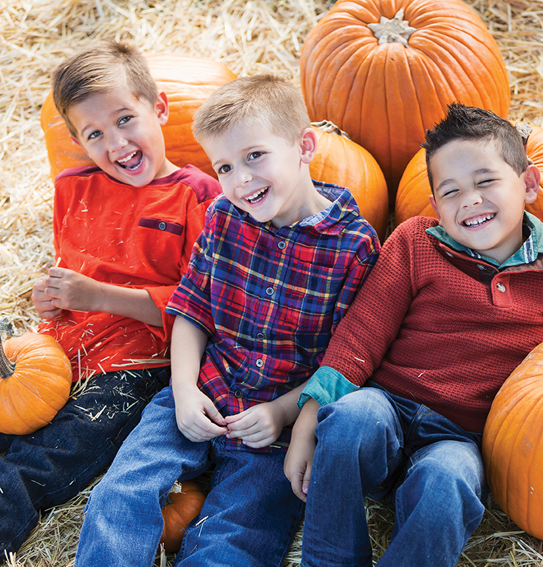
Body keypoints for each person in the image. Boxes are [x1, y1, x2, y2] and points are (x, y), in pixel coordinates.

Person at [73, 74, 380, 566]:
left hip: (270, 430)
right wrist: (185, 387)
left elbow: (341, 360)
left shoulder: (354, 247)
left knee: (235, 536)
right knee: (122, 492)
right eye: (225, 166)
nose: (241, 180)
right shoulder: (224, 215)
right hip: (202, 389)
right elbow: (191, 309)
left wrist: (282, 413)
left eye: (254, 156)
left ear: (304, 146)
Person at [285, 103, 543, 567]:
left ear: (529, 184)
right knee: (353, 416)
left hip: (462, 435)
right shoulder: (416, 242)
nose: (469, 200)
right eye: (451, 191)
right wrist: (306, 424)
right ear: (435, 205)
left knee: (449, 479)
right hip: (388, 408)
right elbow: (360, 336)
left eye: (486, 181)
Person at [0, 40, 221, 556]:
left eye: (125, 119)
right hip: (59, 356)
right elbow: (75, 271)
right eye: (95, 133)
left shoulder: (197, 197)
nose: (116, 142)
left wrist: (99, 296)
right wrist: (54, 299)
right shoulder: (74, 189)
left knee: (37, 463)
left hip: (135, 371)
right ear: (77, 140)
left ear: (159, 107)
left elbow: (202, 308)